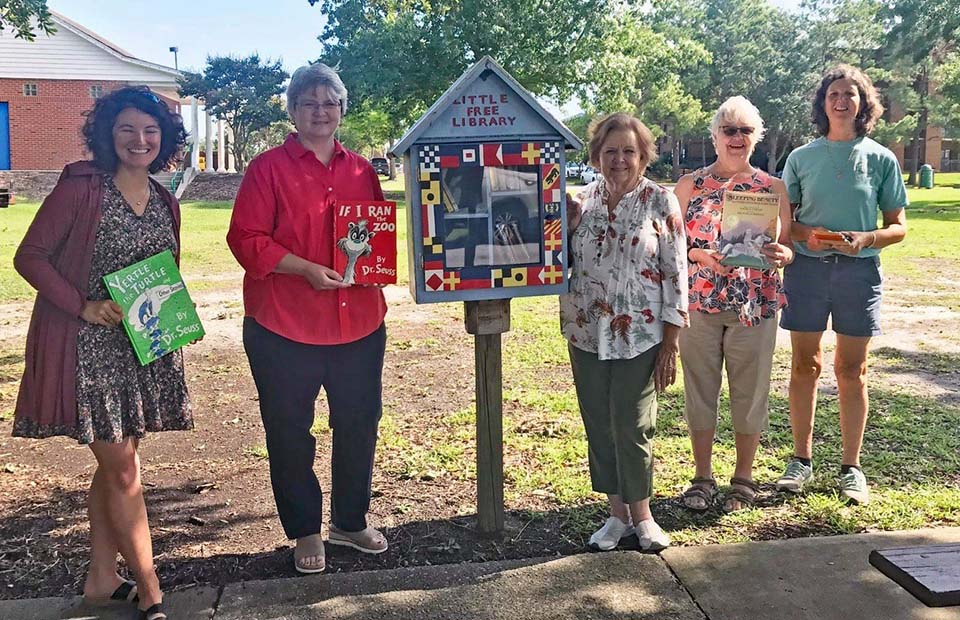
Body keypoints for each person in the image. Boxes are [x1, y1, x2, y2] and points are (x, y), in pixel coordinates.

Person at [13, 86, 189, 620]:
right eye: (128, 129)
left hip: (140, 349)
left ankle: (100, 579)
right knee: (123, 469)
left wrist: (175, 316)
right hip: (87, 351)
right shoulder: (81, 188)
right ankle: (152, 587)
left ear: (165, 139)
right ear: (107, 135)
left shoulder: (165, 201)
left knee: (117, 466)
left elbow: (165, 272)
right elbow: (30, 257)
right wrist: (82, 305)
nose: (141, 140)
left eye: (151, 130)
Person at [226, 63, 388, 574]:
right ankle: (305, 530)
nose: (320, 111)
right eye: (309, 102)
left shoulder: (362, 169)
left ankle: (349, 520)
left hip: (358, 323)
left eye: (330, 102)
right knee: (290, 430)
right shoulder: (267, 169)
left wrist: (374, 264)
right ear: (293, 111)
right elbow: (246, 239)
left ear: (342, 109)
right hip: (284, 325)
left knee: (359, 423)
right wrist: (304, 269)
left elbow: (374, 236)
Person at [776, 64, 908, 505]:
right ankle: (801, 460)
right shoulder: (800, 158)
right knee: (804, 366)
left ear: (862, 104)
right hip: (808, 271)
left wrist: (867, 239)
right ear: (822, 103)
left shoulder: (881, 158)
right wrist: (805, 234)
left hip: (859, 273)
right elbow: (786, 224)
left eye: (850, 94)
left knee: (852, 371)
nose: (841, 101)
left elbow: (898, 227)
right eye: (834, 93)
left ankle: (851, 467)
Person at [560, 113, 688, 552]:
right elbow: (562, 263)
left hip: (642, 333)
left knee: (633, 424)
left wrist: (672, 339)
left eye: (628, 151)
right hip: (585, 330)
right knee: (598, 421)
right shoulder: (581, 201)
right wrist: (568, 226)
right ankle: (617, 515)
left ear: (643, 156)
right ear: (596, 155)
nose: (619, 160)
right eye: (610, 151)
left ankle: (644, 515)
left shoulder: (660, 201)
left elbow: (676, 272)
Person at [673, 97, 794, 513]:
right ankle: (702, 478)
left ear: (756, 137)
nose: (737, 138)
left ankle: (743, 480)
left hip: (755, 304)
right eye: (729, 130)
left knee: (751, 391)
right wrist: (699, 256)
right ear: (715, 136)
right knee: (700, 391)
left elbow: (787, 245)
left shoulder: (773, 189)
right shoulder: (690, 186)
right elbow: (671, 246)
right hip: (700, 303)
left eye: (745, 130)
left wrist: (784, 255)